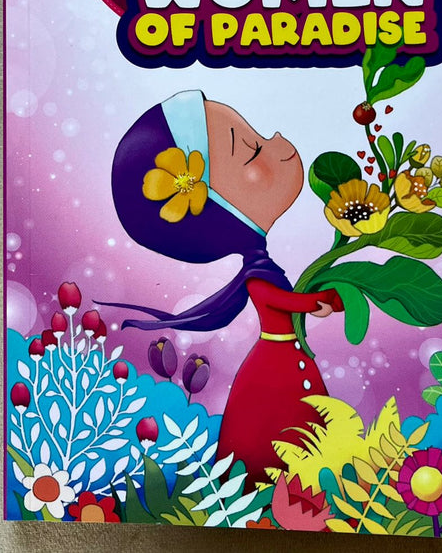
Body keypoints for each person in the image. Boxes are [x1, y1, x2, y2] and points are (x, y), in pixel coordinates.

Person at [99, 90, 343, 485]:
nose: (278, 140)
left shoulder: (261, 267)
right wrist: (314, 300)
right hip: (277, 364)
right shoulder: (257, 274)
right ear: (219, 211)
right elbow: (275, 299)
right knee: (281, 434)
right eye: (253, 150)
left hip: (282, 360)